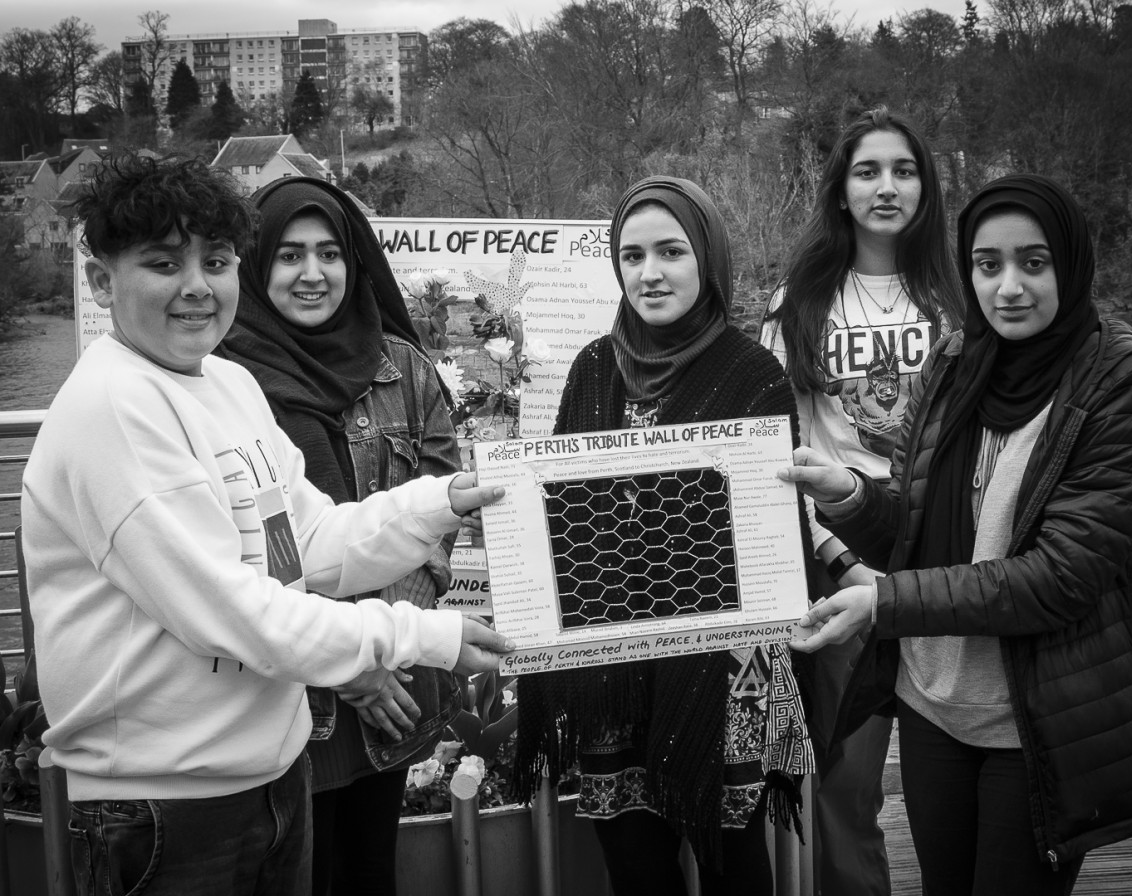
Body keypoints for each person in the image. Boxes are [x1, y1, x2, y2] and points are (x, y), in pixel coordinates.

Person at [20, 153, 511, 896]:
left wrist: (442, 499)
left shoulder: (226, 382)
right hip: (168, 809)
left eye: (215, 261)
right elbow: (233, 613)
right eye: (162, 264)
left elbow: (307, 542)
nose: (196, 288)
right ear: (99, 281)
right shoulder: (114, 407)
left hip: (268, 780)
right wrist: (422, 636)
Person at [782, 173, 1132, 895]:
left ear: (1069, 265)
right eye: (987, 264)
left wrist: (883, 605)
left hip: (1033, 725)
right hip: (931, 703)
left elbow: (1063, 576)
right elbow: (914, 533)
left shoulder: (1120, 379)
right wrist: (849, 496)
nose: (1009, 286)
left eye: (1032, 263)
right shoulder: (954, 361)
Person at [514, 176, 815, 896]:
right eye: (632, 254)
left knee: (734, 863)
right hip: (613, 662)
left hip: (727, 667)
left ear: (707, 259)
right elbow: (563, 512)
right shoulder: (593, 367)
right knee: (635, 866)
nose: (650, 273)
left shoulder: (753, 375)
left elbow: (771, 535)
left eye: (671, 251)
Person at [217, 176, 461, 896]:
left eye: (330, 253)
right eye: (289, 255)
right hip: (291, 691)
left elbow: (439, 511)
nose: (312, 274)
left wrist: (386, 642)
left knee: (370, 871)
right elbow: (261, 545)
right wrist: (347, 657)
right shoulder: (226, 382)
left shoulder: (404, 370)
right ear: (257, 267)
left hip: (393, 685)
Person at [759, 105, 963, 896]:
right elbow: (782, 452)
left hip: (953, 557)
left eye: (904, 170)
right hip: (844, 561)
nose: (887, 187)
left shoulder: (958, 290)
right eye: (868, 171)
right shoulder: (799, 304)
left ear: (925, 187)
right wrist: (840, 560)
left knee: (961, 775)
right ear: (840, 191)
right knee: (847, 788)